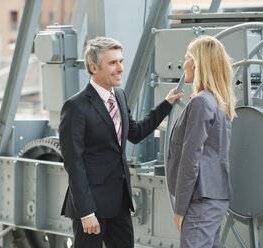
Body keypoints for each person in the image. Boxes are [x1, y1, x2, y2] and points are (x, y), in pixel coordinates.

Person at [59, 36, 184, 248]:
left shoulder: (119, 95)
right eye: (113, 63)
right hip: (91, 206)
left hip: (119, 202)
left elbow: (134, 132)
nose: (120, 68)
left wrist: (166, 104)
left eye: (121, 61)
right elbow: (74, 164)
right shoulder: (75, 107)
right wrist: (87, 212)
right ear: (93, 67)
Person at [166, 35, 236, 248]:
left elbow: (190, 158)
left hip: (200, 200)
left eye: (187, 57)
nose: (183, 63)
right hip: (213, 197)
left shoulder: (200, 102)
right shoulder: (218, 101)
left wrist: (180, 209)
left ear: (197, 64)